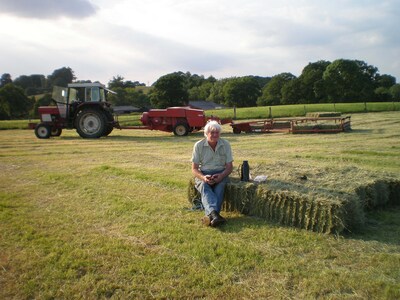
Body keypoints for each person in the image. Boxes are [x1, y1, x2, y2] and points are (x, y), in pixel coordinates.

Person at [191, 120, 233, 227]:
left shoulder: (226, 144)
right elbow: (194, 169)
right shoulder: (198, 145)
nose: (215, 135)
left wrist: (222, 176)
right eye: (212, 132)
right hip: (204, 173)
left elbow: (229, 167)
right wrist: (203, 177)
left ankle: (211, 216)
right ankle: (215, 215)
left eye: (217, 132)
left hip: (221, 172)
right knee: (204, 186)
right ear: (206, 133)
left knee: (220, 187)